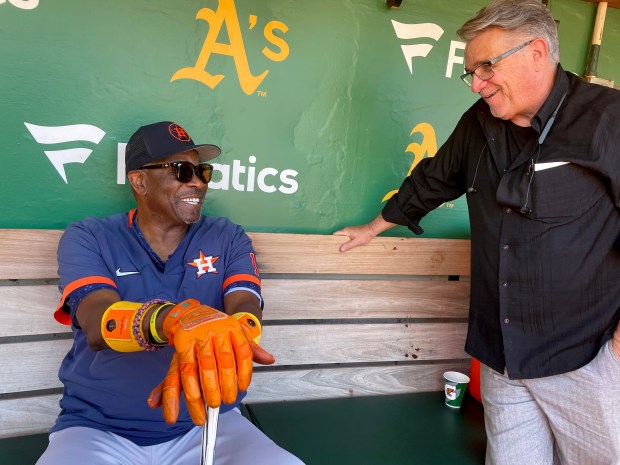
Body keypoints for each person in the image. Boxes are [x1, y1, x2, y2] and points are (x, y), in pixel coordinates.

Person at [335, 1, 620, 464]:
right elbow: (435, 178)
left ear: (537, 52)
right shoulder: (479, 121)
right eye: (472, 71)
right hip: (501, 353)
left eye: (487, 66)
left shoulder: (608, 119)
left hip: (584, 358)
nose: (479, 83)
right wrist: (374, 227)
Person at [36, 121, 304, 465]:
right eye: (181, 170)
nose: (196, 181)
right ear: (139, 180)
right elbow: (97, 321)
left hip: (208, 423)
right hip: (99, 428)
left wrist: (236, 327)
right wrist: (174, 320)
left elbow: (246, 305)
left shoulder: (227, 235)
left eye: (202, 171)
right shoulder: (90, 236)